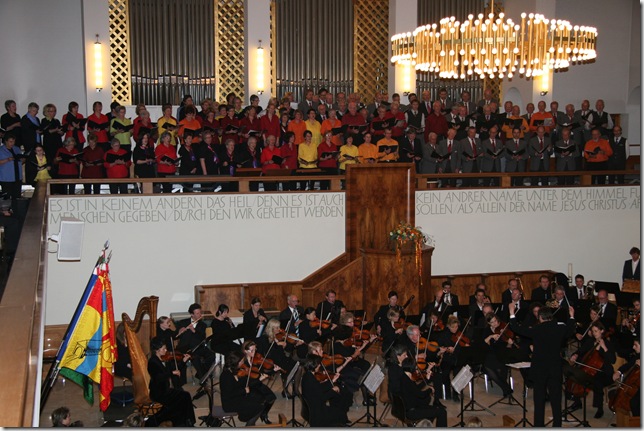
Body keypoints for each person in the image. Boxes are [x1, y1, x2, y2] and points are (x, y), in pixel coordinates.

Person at [508, 302, 576, 426]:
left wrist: (512, 313)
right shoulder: (560, 328)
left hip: (540, 369)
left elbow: (517, 329)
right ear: (550, 316)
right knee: (556, 400)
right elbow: (570, 330)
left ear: (540, 318)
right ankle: (557, 426)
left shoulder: (537, 329)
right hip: (555, 368)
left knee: (539, 400)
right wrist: (571, 316)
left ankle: (539, 426)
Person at [386, 343, 447, 426]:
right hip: (409, 409)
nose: (407, 356)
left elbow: (414, 388)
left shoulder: (399, 371)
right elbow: (419, 393)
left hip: (405, 405)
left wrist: (426, 379)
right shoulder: (402, 376)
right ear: (398, 356)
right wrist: (430, 389)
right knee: (441, 411)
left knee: (431, 406)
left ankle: (425, 425)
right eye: (405, 355)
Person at [564, 320, 616, 418]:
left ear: (602, 331)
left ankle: (599, 409)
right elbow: (581, 351)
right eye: (593, 331)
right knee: (576, 375)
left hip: (604, 372)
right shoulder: (590, 342)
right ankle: (577, 402)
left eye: (596, 331)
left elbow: (612, 360)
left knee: (597, 382)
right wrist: (575, 355)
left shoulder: (608, 344)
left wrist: (604, 347)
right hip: (591, 370)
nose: (594, 333)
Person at [147, 336, 195, 427]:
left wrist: (183, 361)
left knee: (185, 396)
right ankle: (183, 423)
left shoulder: (163, 359)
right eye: (163, 348)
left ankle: (188, 422)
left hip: (165, 390)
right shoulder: (152, 362)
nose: (166, 350)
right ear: (157, 350)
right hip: (158, 392)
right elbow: (158, 377)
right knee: (180, 401)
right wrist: (171, 373)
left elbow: (175, 371)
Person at [300, 355, 350, 426]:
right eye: (318, 364)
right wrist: (332, 390)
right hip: (317, 413)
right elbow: (322, 398)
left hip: (313, 408)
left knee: (338, 409)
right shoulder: (311, 380)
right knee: (340, 414)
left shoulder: (307, 376)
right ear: (314, 365)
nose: (320, 365)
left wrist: (332, 381)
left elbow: (318, 388)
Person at [219, 350, 266, 426]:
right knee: (259, 407)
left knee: (259, 399)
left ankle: (246, 418)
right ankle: (249, 425)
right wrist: (244, 391)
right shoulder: (226, 376)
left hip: (238, 398)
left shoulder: (236, 371)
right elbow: (229, 394)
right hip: (230, 403)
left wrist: (259, 379)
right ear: (236, 362)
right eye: (241, 361)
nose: (242, 363)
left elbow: (246, 383)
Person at [240, 340, 277, 424]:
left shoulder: (255, 361)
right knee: (262, 400)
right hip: (249, 387)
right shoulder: (243, 363)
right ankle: (252, 420)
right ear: (245, 351)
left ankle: (264, 414)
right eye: (251, 351)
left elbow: (263, 372)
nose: (254, 352)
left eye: (255, 350)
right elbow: (245, 382)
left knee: (272, 398)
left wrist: (273, 370)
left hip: (257, 384)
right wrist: (259, 379)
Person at [175, 303, 214, 379]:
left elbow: (203, 338)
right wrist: (179, 332)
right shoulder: (183, 323)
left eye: (200, 312)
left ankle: (202, 373)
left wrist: (194, 331)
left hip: (198, 347)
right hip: (186, 348)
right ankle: (202, 377)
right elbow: (175, 336)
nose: (200, 315)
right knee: (196, 359)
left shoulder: (203, 325)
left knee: (212, 355)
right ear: (192, 314)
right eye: (197, 313)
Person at [612, 338, 641, 416]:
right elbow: (628, 365)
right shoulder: (639, 355)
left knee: (634, 403)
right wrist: (618, 372)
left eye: (636, 345)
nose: (633, 347)